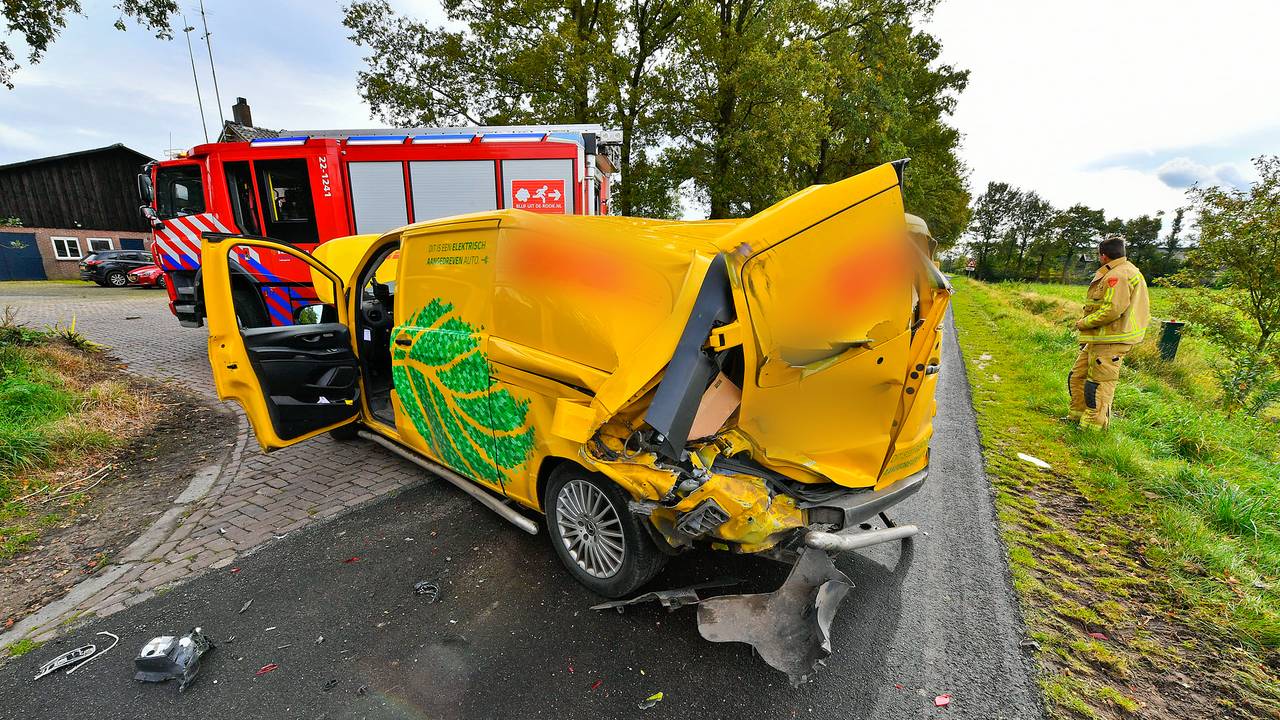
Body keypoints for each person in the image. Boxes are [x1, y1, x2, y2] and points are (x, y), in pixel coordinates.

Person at [1066, 234, 1150, 430]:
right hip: (1101, 338)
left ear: (1103, 256)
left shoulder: (1118, 276)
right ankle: (1076, 416)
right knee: (1077, 376)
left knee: (1098, 384)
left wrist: (1084, 323)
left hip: (1111, 339)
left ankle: (1092, 429)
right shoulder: (1123, 271)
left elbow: (1112, 309)